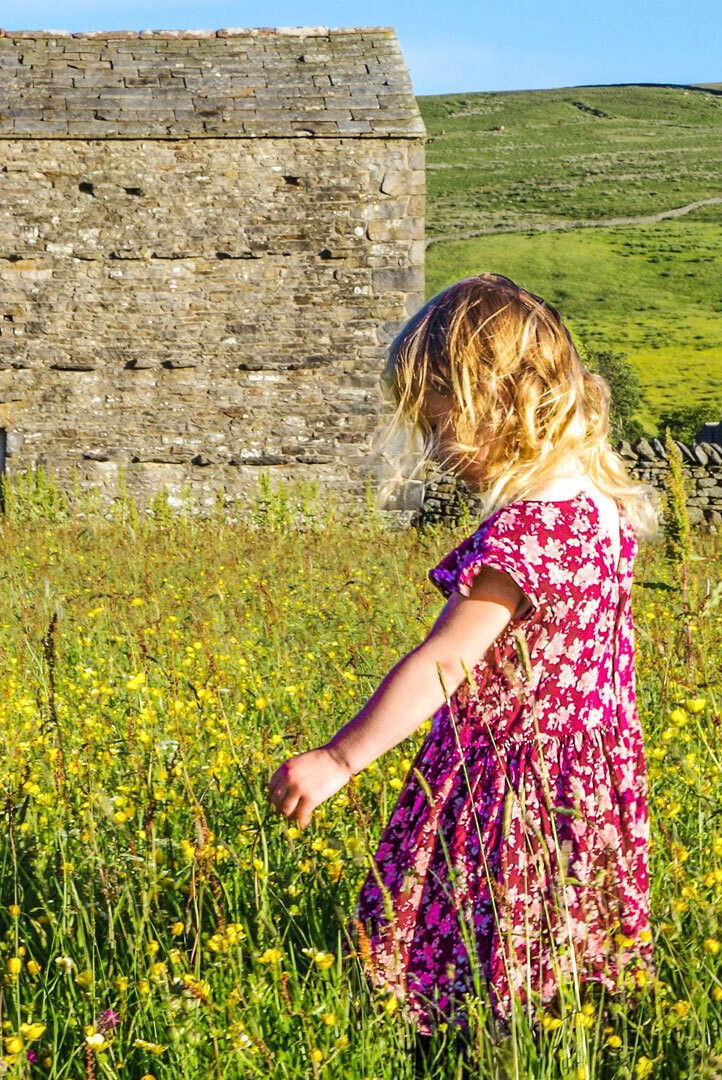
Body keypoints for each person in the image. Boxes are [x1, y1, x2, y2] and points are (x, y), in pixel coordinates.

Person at [265, 273, 659, 1063]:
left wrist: (340, 758)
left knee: (473, 948)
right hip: (588, 784)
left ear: (503, 400)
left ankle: (463, 1053)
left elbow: (447, 660)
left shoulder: (529, 533)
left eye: (441, 422)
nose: (436, 448)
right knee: (555, 954)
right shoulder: (601, 510)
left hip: (512, 784)